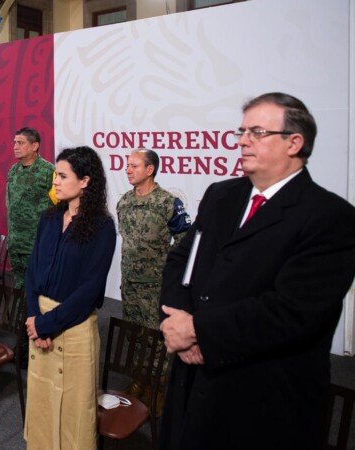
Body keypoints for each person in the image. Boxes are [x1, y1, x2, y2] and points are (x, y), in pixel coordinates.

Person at [159, 92, 355, 450]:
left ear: (295, 142)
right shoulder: (221, 195)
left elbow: (290, 312)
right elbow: (180, 261)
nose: (243, 140)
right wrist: (176, 319)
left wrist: (198, 330)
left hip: (259, 397)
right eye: (242, 131)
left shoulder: (330, 217)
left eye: (258, 132)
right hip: (192, 378)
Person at [23, 146, 117, 450]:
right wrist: (34, 319)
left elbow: (90, 291)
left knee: (76, 412)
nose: (56, 182)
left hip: (73, 328)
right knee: (42, 405)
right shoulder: (48, 219)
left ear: (86, 181)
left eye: (63, 176)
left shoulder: (102, 227)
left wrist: (47, 324)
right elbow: (31, 272)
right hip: (39, 323)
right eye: (55, 176)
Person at [117, 149, 191, 330]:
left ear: (150, 170)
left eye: (134, 166)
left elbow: (185, 241)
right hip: (129, 285)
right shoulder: (124, 202)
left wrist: (166, 268)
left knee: (156, 340)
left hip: (154, 288)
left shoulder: (168, 203)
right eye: (127, 166)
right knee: (131, 335)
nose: (127, 170)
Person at [6, 127, 55, 290]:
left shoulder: (49, 172)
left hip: (36, 244)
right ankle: (21, 316)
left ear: (35, 146)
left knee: (38, 290)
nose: (15, 146)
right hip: (16, 244)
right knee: (19, 288)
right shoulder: (13, 171)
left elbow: (59, 208)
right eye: (14, 142)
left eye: (20, 143)